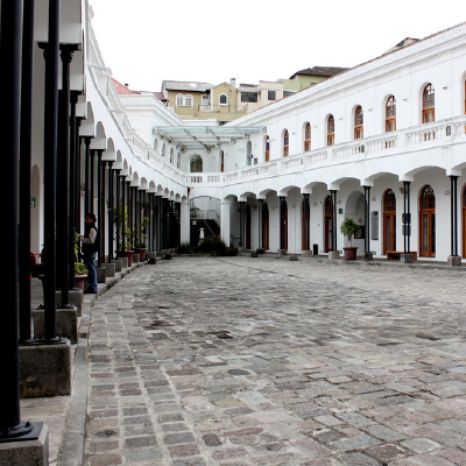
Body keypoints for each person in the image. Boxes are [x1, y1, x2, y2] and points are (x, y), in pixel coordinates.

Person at [79, 213, 99, 294]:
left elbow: (91, 241)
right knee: (91, 268)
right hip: (90, 251)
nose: (86, 221)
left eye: (87, 219)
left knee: (91, 268)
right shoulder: (91, 228)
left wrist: (81, 239)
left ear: (92, 220)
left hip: (91, 251)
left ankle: (93, 287)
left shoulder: (92, 228)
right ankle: (92, 286)